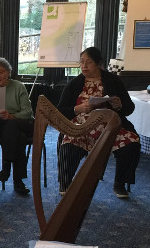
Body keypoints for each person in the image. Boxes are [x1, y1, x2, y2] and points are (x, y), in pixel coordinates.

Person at [56, 47, 140, 199]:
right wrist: (78, 108)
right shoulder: (74, 84)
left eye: (89, 62)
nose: (84, 66)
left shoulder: (113, 80)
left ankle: (119, 183)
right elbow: (61, 110)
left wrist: (119, 105)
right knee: (67, 145)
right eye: (81, 62)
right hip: (81, 126)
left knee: (132, 142)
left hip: (109, 127)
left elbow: (129, 108)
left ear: (98, 64)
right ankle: (65, 183)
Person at [0, 57, 34, 195]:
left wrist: (12, 116)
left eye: (1, 72)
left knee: (12, 124)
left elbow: (28, 111)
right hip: (3, 128)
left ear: (8, 72)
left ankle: (6, 166)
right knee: (18, 138)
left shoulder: (18, 86)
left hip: (23, 122)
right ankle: (18, 181)